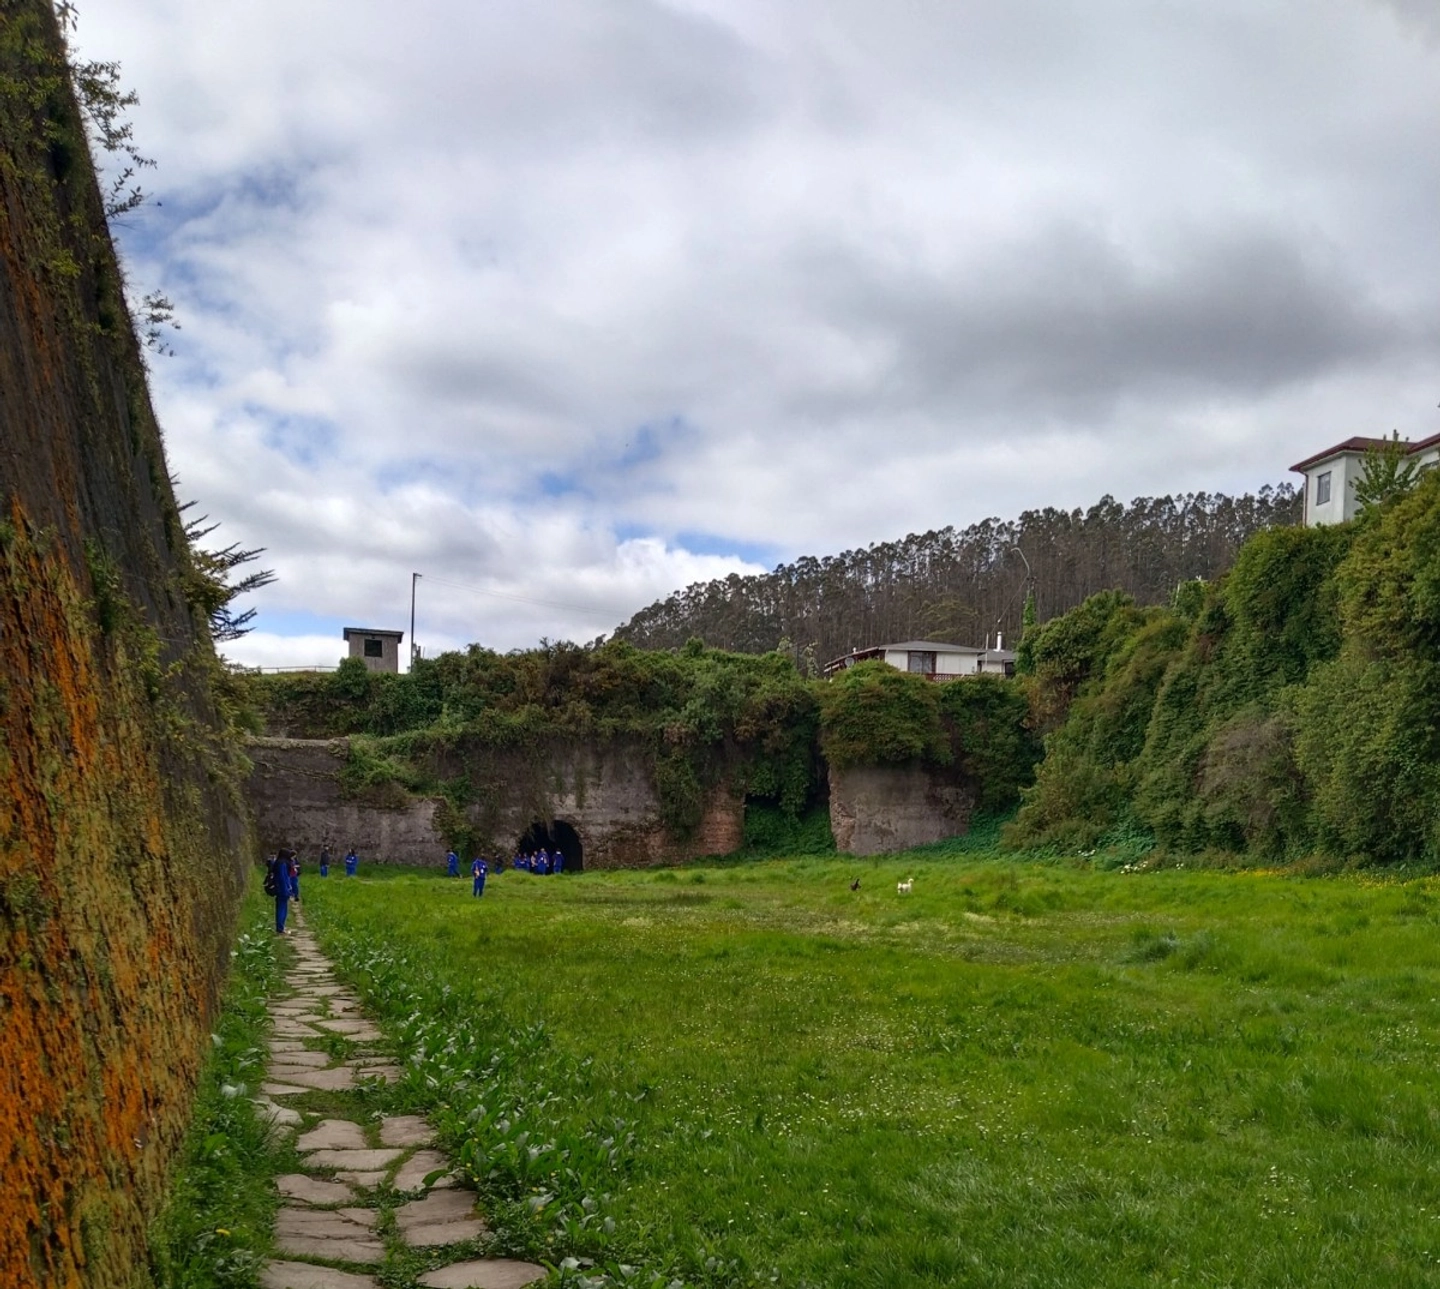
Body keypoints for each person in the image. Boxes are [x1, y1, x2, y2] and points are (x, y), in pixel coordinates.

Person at [269, 848, 293, 935]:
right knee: (282, 908)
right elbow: (283, 878)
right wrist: (287, 889)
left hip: (279, 888)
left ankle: (280, 927)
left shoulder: (278, 862)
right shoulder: (283, 864)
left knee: (280, 907)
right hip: (283, 889)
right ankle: (280, 928)